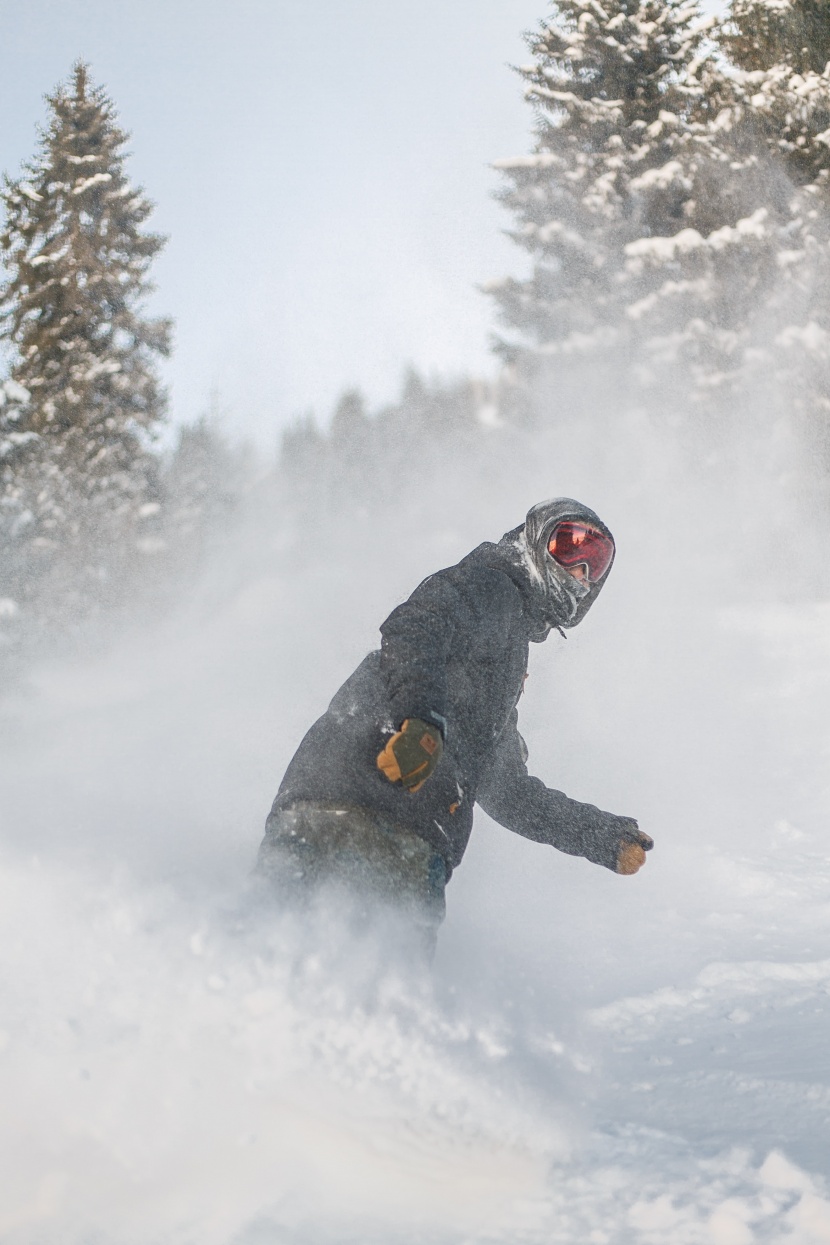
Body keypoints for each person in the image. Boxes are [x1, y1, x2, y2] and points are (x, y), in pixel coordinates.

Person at [258, 497, 653, 955]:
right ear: (534, 542)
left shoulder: (498, 677)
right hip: (364, 813)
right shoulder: (491, 586)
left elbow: (507, 793)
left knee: (292, 975)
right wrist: (422, 722)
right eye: (569, 546)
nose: (581, 570)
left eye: (596, 563)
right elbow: (414, 627)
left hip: (394, 833)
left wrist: (599, 836)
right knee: (372, 994)